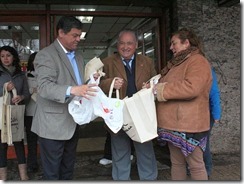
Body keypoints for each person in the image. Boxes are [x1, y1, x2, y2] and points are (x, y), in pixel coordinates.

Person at [31, 16, 98, 180]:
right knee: (52, 173)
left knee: (68, 171)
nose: (78, 39)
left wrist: (91, 80)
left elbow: (77, 84)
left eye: (79, 35)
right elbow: (45, 87)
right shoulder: (46, 55)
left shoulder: (79, 57)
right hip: (52, 126)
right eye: (75, 35)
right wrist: (73, 89)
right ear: (61, 33)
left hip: (72, 121)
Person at [99, 28, 158, 180]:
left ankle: (149, 179)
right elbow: (96, 86)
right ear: (117, 45)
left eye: (129, 43)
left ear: (136, 45)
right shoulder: (106, 62)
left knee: (145, 151)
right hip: (119, 115)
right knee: (120, 152)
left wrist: (150, 86)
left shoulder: (147, 61)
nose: (126, 47)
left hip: (141, 114)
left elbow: (156, 83)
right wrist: (110, 83)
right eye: (122, 43)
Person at [155, 28, 212, 180]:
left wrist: (160, 89)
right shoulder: (176, 63)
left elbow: (192, 87)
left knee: (196, 166)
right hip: (174, 125)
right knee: (177, 164)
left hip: (189, 126)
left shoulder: (198, 61)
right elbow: (167, 84)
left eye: (174, 43)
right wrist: (153, 86)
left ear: (186, 43)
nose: (170, 48)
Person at [0, 46, 30, 180]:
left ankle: (23, 176)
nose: (5, 58)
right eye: (2, 56)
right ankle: (3, 177)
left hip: (16, 113)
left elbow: (27, 94)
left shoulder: (21, 75)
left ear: (14, 57)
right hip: (1, 114)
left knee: (19, 142)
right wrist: (4, 88)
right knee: (2, 144)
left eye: (8, 55)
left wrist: (21, 97)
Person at [203, 68, 222, 178]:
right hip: (194, 113)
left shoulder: (208, 70)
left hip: (206, 113)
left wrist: (216, 114)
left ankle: (207, 168)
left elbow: (214, 92)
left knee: (204, 142)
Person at [24, 52, 39, 173]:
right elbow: (22, 93)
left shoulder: (47, 76)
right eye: (35, 60)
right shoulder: (25, 76)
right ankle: (32, 163)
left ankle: (47, 163)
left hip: (44, 113)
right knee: (32, 140)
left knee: (46, 140)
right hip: (30, 112)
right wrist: (31, 90)